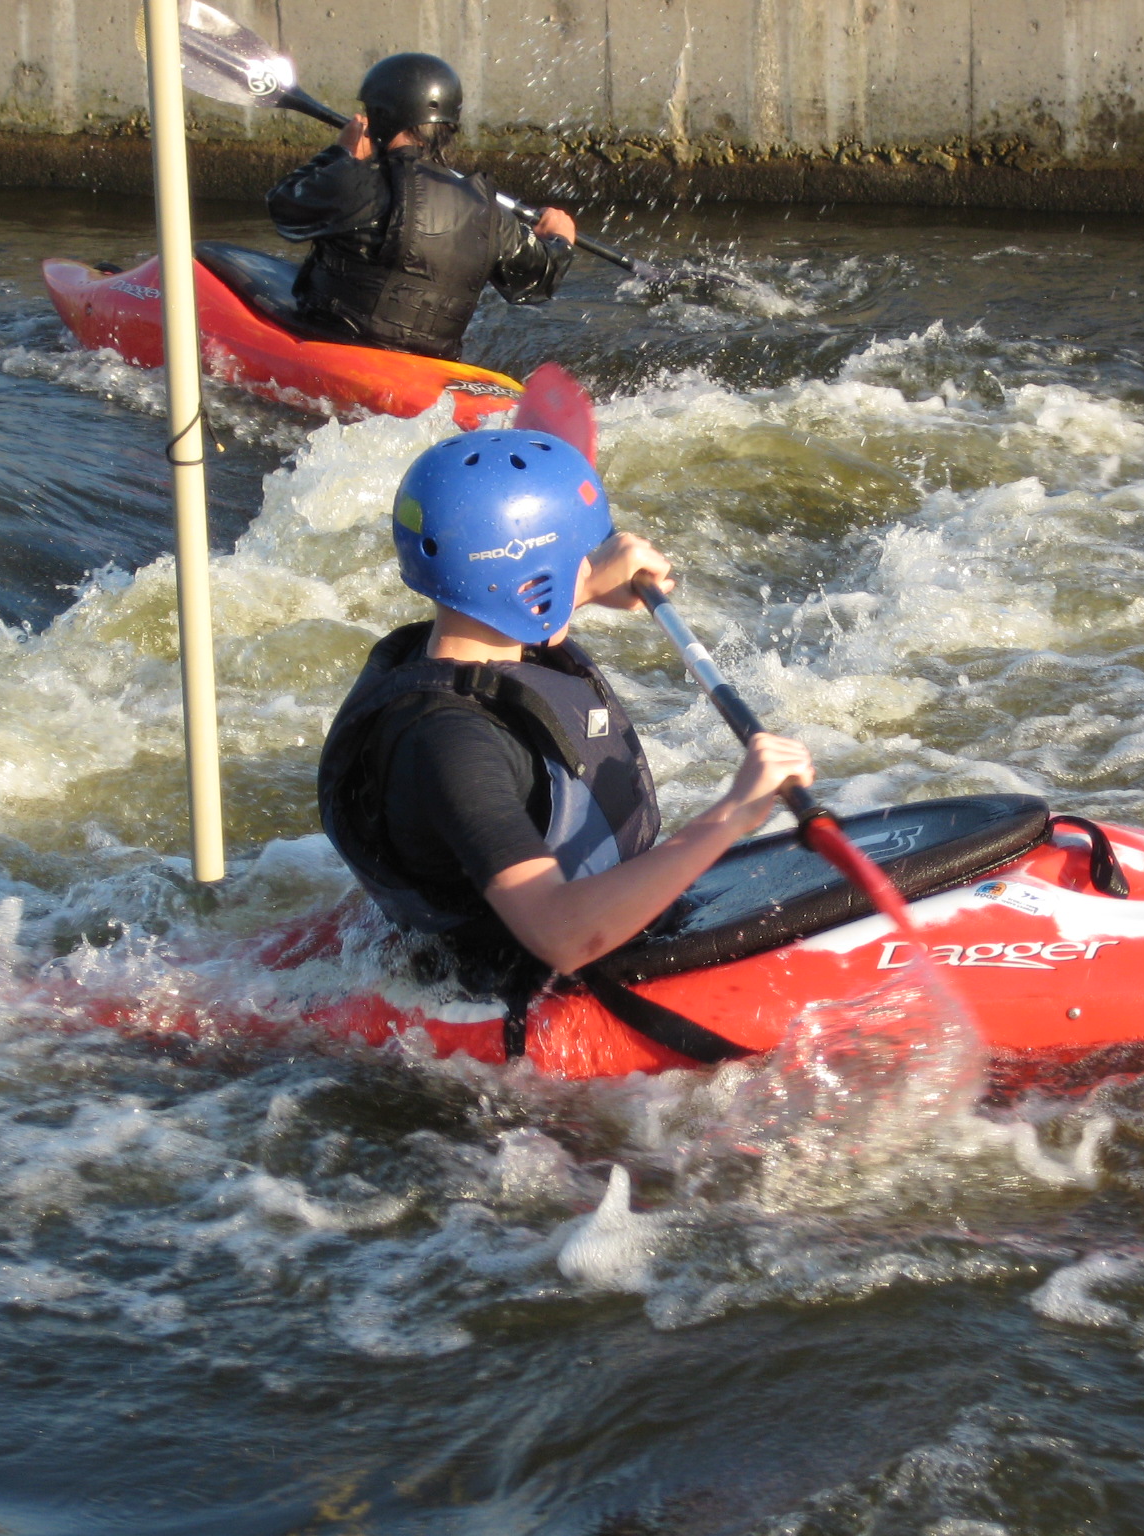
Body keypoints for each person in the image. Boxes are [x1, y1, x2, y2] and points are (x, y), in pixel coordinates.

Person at [318, 428, 815, 1037]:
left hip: (551, 937)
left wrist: (586, 581)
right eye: (579, 557)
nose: (590, 565)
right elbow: (561, 936)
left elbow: (506, 597)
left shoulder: (465, 641)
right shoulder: (451, 744)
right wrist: (734, 813)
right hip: (533, 997)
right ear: (530, 583)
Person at [266, 54, 579, 362]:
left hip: (336, 349)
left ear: (382, 115)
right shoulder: (491, 213)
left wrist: (341, 154)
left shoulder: (360, 183)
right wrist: (560, 240)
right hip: (430, 370)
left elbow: (284, 207)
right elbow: (535, 281)